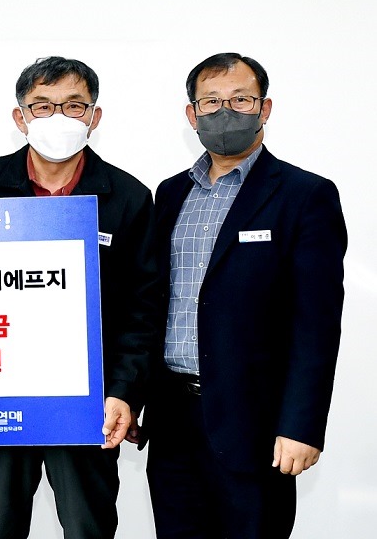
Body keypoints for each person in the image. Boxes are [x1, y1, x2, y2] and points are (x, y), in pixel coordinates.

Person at [141, 52, 347, 538]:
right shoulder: (170, 194)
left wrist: (301, 426)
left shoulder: (304, 195)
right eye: (211, 101)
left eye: (240, 99)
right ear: (192, 114)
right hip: (173, 420)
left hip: (256, 424)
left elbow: (316, 326)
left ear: (265, 108)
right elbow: (151, 303)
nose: (225, 111)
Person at [0, 56, 157, 539]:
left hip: (88, 401)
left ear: (94, 116)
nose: (58, 117)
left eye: (73, 106)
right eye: (43, 106)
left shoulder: (128, 196)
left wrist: (124, 391)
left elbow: (143, 308)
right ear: (20, 117)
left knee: (88, 526)